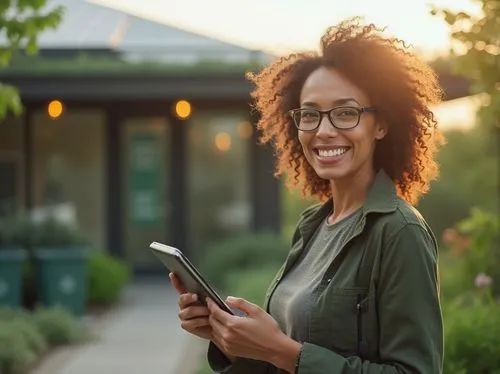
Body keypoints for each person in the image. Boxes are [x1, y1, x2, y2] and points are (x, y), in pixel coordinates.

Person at [170, 17, 444, 374]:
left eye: (345, 113)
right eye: (310, 115)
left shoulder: (399, 232)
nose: (324, 131)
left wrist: (286, 352)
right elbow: (284, 356)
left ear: (381, 124)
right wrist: (230, 337)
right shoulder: (314, 225)